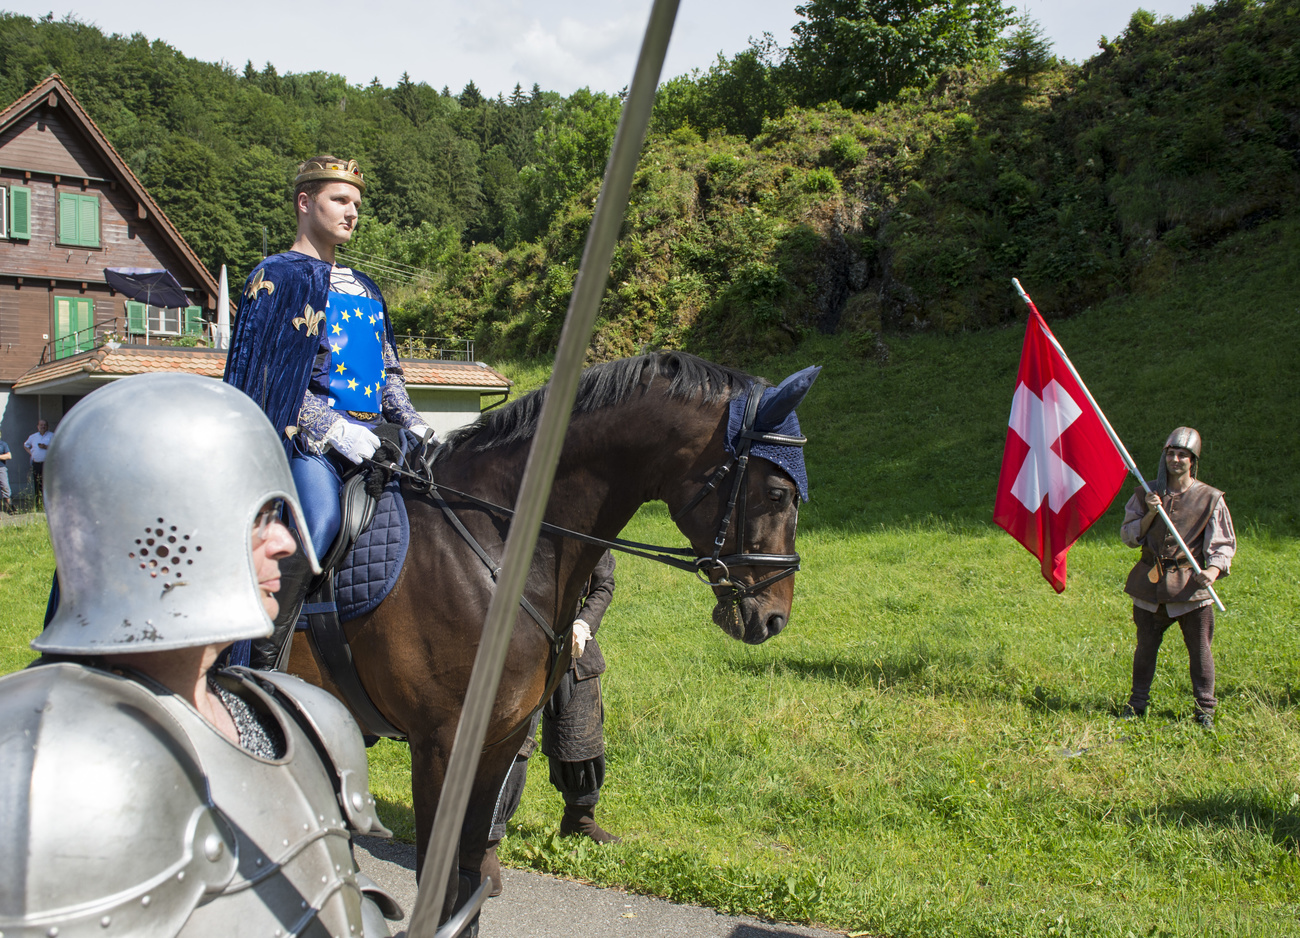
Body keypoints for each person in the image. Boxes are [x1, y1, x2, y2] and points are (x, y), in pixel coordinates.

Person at [1, 373, 402, 936]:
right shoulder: (45, 757)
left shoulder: (295, 720)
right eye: (260, 519)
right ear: (163, 533)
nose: (286, 543)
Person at [223, 155, 435, 667]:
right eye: (340, 200)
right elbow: (269, 376)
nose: (352, 212)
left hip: (377, 437)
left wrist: (413, 420)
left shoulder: (366, 287)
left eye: (357, 203)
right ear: (304, 203)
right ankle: (258, 663)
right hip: (310, 442)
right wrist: (331, 426)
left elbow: (388, 373)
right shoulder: (276, 277)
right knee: (317, 523)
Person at [483, 551, 621, 896]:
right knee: (512, 744)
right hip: (519, 642)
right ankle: (484, 844)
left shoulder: (592, 521)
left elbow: (603, 584)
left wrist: (584, 623)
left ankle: (580, 819)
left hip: (574, 646)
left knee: (581, 735)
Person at [1119, 427, 1235, 728]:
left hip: (1190, 587)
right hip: (1150, 582)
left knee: (1199, 650)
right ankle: (1137, 704)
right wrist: (1150, 513)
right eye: (1171, 453)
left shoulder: (1209, 498)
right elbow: (1129, 535)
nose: (1176, 459)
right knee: (1144, 648)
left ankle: (1205, 710)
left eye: (1182, 454)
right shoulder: (1147, 492)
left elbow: (1222, 544)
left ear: (1192, 460)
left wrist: (1212, 570)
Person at [23, 418, 52, 508]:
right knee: (37, 483)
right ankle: (38, 505)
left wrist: (46, 447)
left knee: (47, 484)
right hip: (36, 463)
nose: (43, 427)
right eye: (41, 425)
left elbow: (57, 447)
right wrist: (31, 453)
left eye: (44, 425)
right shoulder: (33, 437)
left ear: (47, 426)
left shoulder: (52, 435)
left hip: (47, 464)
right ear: (38, 426)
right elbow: (25, 445)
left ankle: (48, 505)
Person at [0, 429, 11, 512]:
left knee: (5, 487)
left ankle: (9, 507)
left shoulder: (3, 444)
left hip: (1, 468)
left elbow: (9, 456)